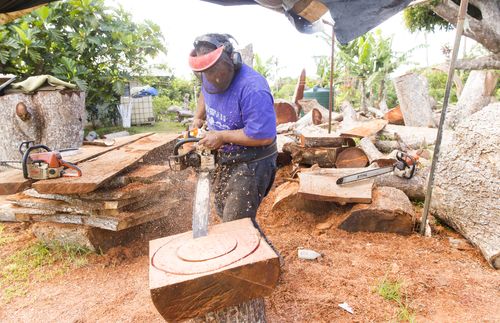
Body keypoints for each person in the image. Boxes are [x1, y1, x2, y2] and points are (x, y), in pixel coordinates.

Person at [188, 33, 277, 234]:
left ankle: (264, 261)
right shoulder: (208, 76)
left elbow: (264, 136)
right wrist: (198, 116)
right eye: (205, 73)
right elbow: (205, 90)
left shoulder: (253, 89)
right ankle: (255, 256)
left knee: (236, 225)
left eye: (213, 72)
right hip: (227, 156)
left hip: (252, 161)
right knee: (225, 211)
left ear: (231, 60)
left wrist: (222, 136)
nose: (211, 78)